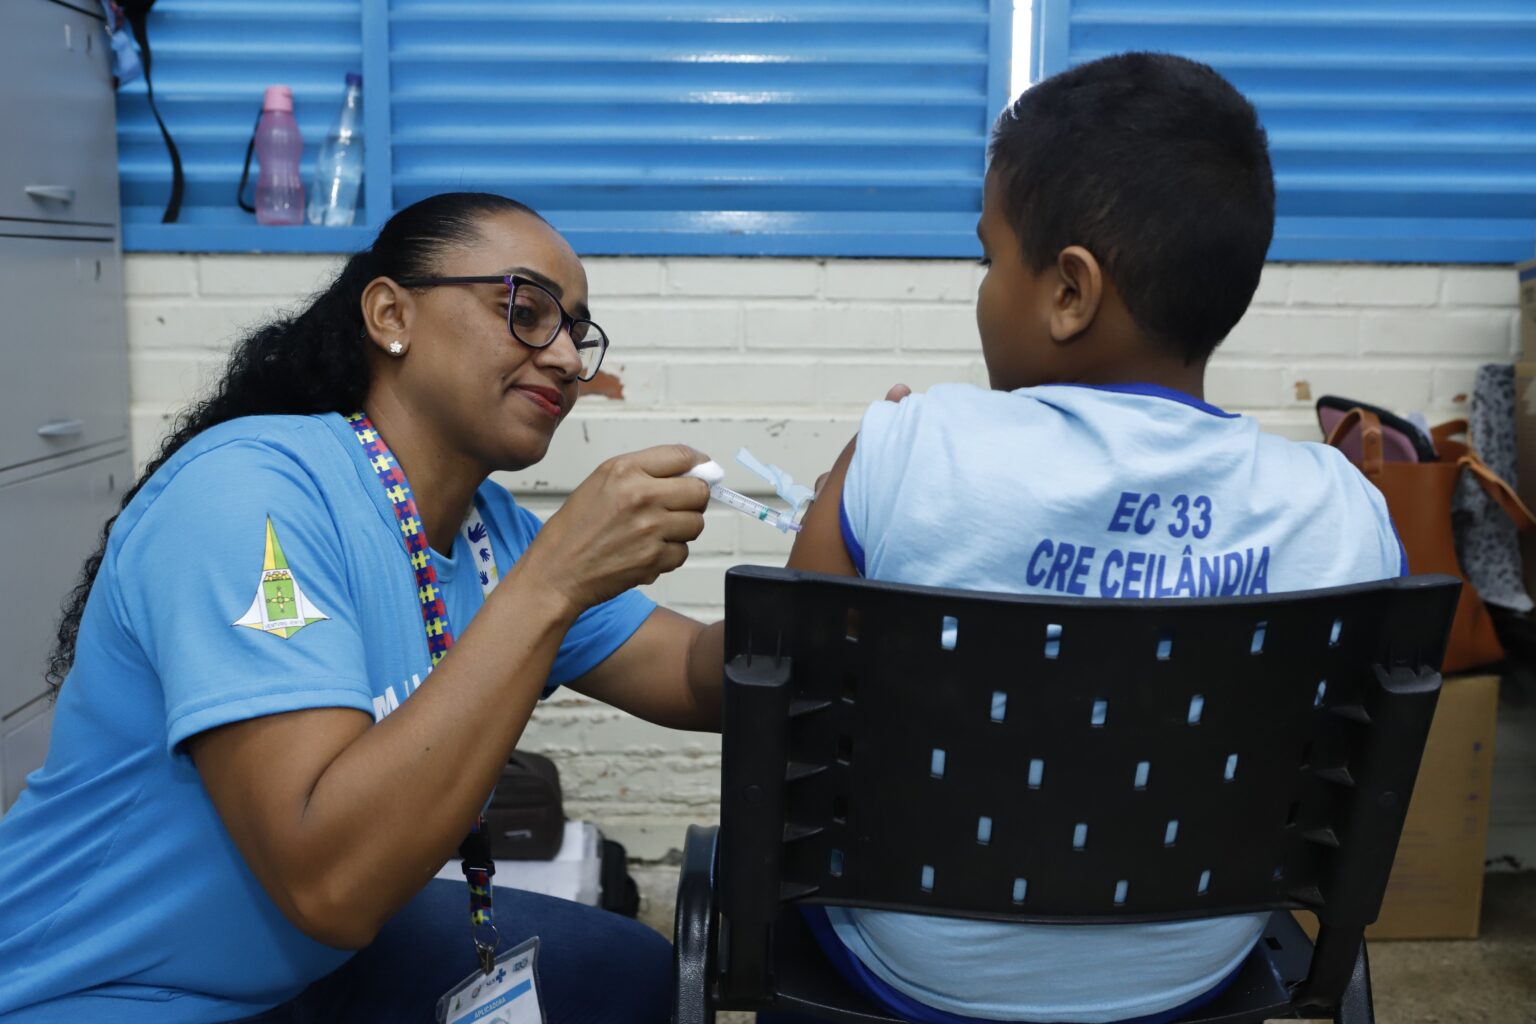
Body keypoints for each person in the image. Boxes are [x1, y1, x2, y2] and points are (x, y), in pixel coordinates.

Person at [0, 192, 729, 1023]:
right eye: (526, 311)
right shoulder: (248, 497)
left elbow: (699, 676)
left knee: (627, 968)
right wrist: (555, 582)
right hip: (110, 990)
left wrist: (847, 538)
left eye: (577, 331)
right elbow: (330, 886)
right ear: (391, 314)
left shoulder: (493, 537)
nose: (567, 358)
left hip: (304, 963)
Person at [781, 53, 1404, 1024]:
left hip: (921, 969)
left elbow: (794, 713)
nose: (981, 290)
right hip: (1189, 970)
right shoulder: (1343, 509)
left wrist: (860, 481)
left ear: (1070, 290)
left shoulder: (909, 446)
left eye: (989, 258)